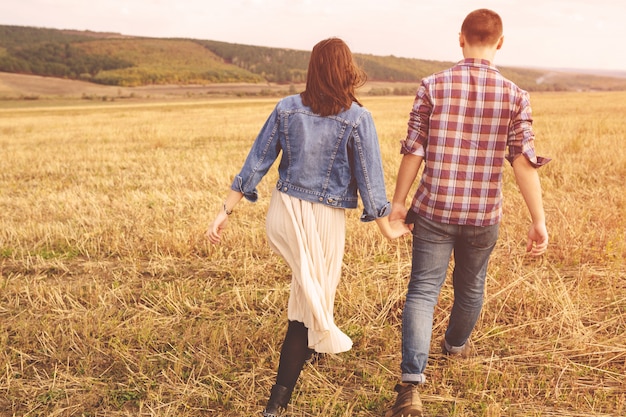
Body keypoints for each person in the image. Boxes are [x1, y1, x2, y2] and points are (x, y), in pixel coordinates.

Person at [206, 37, 409, 417]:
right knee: (306, 301)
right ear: (347, 70)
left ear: (313, 69)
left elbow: (257, 162)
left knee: (311, 287)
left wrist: (225, 210)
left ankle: (312, 351)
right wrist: (386, 227)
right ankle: (276, 403)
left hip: (283, 212)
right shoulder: (357, 117)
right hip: (323, 217)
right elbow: (370, 179)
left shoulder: (286, 108)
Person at [384, 9, 550, 417]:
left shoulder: (433, 85)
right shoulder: (515, 95)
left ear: (461, 39)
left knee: (423, 291)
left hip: (435, 208)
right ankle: (455, 347)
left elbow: (414, 150)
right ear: (500, 42)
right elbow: (522, 161)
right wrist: (538, 220)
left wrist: (399, 202)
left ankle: (410, 389)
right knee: (471, 288)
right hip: (482, 215)